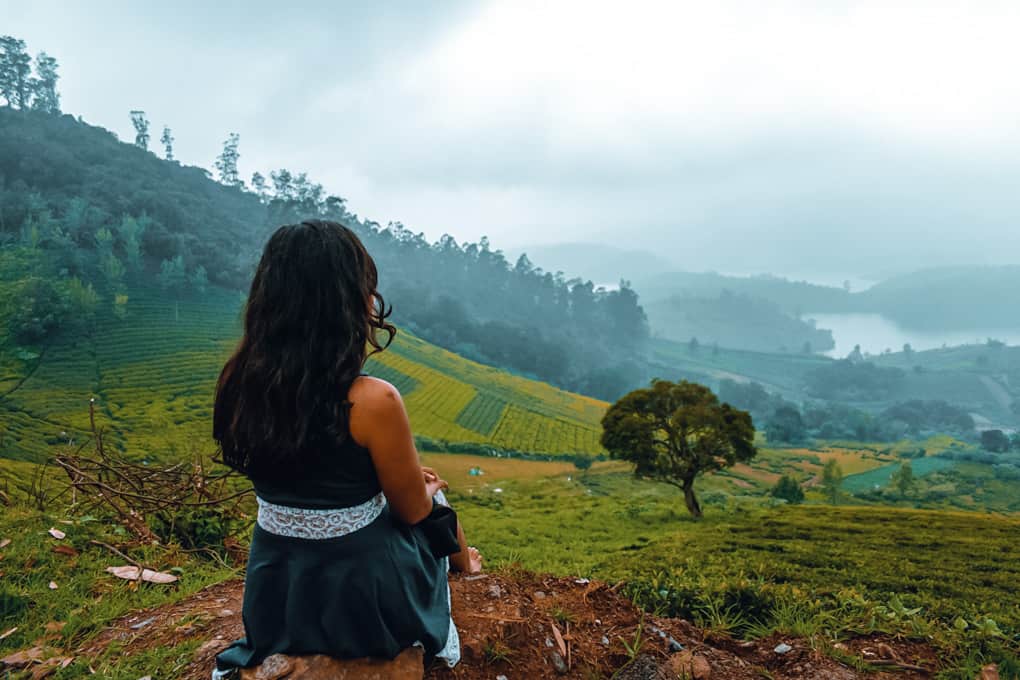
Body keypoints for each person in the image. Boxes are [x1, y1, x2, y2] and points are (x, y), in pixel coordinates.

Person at [211, 220, 482, 678]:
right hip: (362, 596)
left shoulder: (237, 383)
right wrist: (424, 486)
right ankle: (466, 564)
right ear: (346, 302)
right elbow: (413, 511)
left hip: (277, 592)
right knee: (433, 494)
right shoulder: (373, 400)